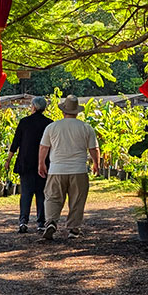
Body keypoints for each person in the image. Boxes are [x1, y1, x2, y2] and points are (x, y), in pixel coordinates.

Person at [37, 95, 100, 241]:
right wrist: (96, 164)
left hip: (56, 169)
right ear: (77, 112)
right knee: (77, 200)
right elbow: (94, 148)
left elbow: (43, 147)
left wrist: (41, 163)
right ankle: (73, 229)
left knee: (52, 198)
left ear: (63, 111)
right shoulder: (86, 127)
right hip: (78, 170)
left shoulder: (52, 127)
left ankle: (51, 222)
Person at [5, 95, 52, 233]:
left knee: (26, 193)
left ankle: (23, 222)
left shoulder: (24, 122)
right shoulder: (49, 123)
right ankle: (41, 223)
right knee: (41, 194)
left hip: (26, 162)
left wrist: (9, 159)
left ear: (34, 107)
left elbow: (15, 143)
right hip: (43, 163)